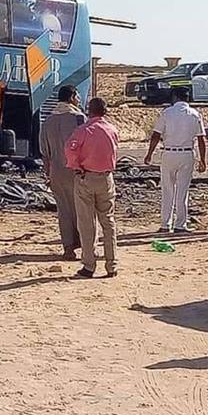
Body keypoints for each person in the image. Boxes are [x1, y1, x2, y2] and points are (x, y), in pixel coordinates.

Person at [65, 97, 119, 279]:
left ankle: (89, 265)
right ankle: (112, 265)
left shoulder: (83, 131)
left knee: (87, 224)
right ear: (105, 111)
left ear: (89, 110)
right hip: (106, 178)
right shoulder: (112, 130)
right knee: (108, 222)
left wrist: (76, 166)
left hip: (86, 177)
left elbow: (70, 150)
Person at [144, 85, 207, 233]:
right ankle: (180, 224)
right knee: (182, 190)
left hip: (169, 153)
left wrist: (149, 154)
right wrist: (203, 159)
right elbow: (201, 139)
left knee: (167, 190)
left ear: (174, 97)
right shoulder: (195, 114)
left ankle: (165, 224)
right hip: (187, 154)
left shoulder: (167, 113)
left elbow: (156, 135)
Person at [39, 85, 85, 259]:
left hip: (56, 171)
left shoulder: (48, 121)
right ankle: (86, 246)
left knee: (64, 210)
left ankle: (68, 248)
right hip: (75, 170)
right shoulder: (78, 118)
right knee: (82, 209)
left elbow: (44, 152)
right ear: (72, 96)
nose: (79, 100)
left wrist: (48, 174)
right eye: (77, 96)